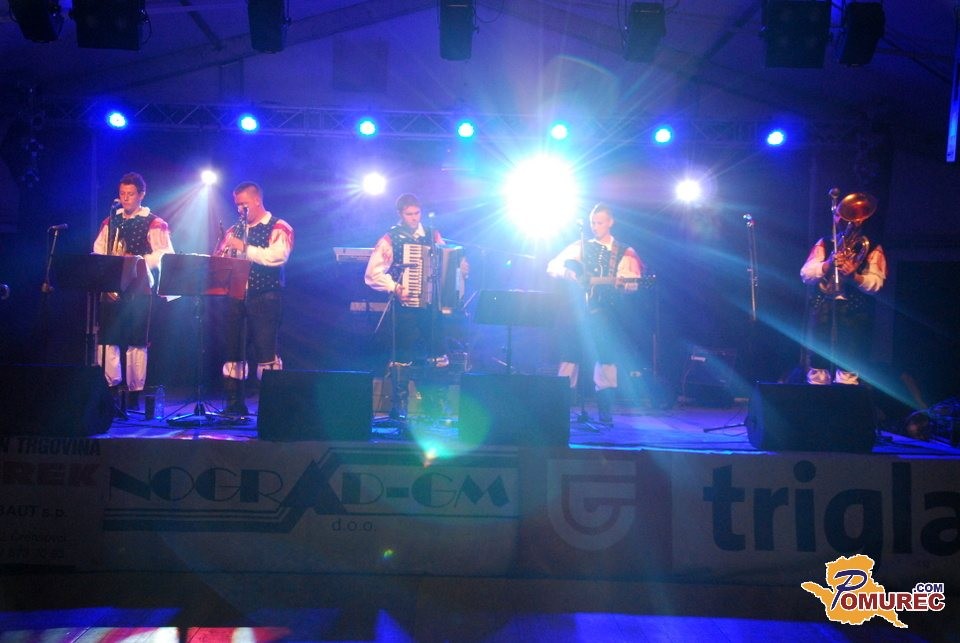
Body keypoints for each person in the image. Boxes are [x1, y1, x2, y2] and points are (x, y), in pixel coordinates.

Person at [547, 203, 644, 425]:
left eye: (599, 222)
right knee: (570, 354)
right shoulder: (581, 246)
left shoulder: (624, 251)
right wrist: (568, 273)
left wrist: (625, 285)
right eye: (593, 222)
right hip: (577, 309)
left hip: (607, 311)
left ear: (610, 222)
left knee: (606, 357)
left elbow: (634, 282)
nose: (595, 226)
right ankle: (561, 407)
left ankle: (605, 410)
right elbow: (552, 266)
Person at [93, 171, 174, 410]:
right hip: (112, 287)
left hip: (139, 287)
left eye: (130, 194)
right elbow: (98, 249)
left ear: (141, 195)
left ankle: (134, 395)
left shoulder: (154, 222)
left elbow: (164, 254)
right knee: (108, 339)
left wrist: (137, 259)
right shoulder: (110, 220)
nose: (125, 198)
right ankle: (110, 390)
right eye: (122, 193)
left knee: (136, 340)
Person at [215, 181, 294, 415]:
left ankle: (271, 407)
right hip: (235, 296)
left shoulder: (278, 226)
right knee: (233, 352)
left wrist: (244, 248)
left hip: (265, 296)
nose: (240, 209)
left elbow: (277, 256)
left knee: (266, 353)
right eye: (238, 205)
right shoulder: (234, 230)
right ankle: (233, 404)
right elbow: (220, 259)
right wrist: (225, 253)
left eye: (244, 204)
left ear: (257, 200)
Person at [364, 193, 446, 418]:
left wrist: (460, 268)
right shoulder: (391, 238)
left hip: (431, 306)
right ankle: (399, 406)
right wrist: (395, 287)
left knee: (435, 352)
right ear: (400, 214)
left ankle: (434, 406)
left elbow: (446, 263)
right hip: (405, 306)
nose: (414, 218)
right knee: (403, 353)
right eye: (409, 214)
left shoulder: (433, 235)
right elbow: (372, 274)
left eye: (417, 213)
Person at [800, 206, 887, 386]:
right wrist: (827, 264)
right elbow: (805, 274)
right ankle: (816, 395)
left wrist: (854, 276)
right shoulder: (824, 243)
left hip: (852, 308)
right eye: (840, 215)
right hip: (823, 304)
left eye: (850, 216)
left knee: (849, 358)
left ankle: (845, 397)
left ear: (861, 220)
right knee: (818, 358)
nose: (844, 220)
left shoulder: (871, 245)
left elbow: (876, 283)